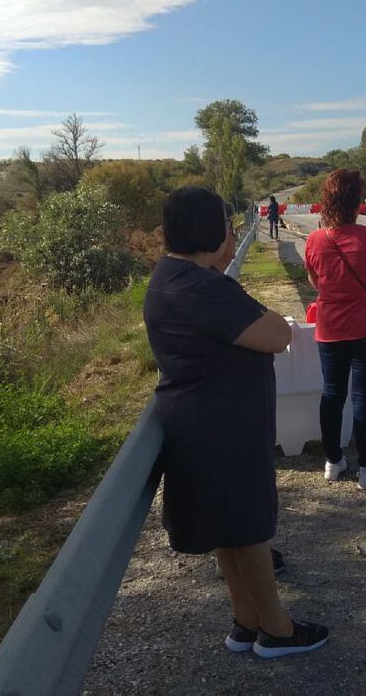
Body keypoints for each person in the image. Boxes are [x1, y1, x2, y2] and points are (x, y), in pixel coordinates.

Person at [144, 186, 329, 658]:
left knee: (227, 530)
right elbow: (277, 334)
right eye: (228, 226)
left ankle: (245, 621)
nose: (232, 234)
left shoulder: (169, 275)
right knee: (249, 528)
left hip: (198, 423)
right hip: (224, 429)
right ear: (213, 231)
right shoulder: (205, 287)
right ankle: (277, 630)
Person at [304, 169, 366, 490]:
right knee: (363, 395)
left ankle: (333, 461)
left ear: (326, 203)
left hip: (330, 328)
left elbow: (315, 282)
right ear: (358, 203)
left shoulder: (315, 240)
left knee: (332, 394)